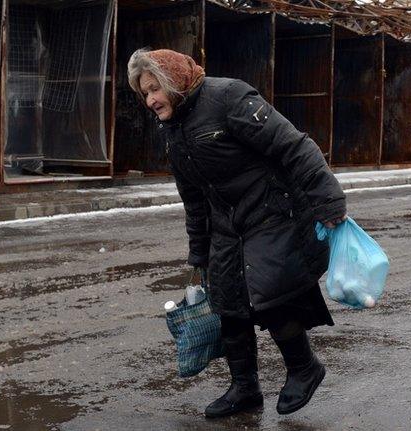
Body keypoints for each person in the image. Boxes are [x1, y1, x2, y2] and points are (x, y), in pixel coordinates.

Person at [127, 48, 348, 418]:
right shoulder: (175, 127)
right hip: (227, 225)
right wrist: (199, 251)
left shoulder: (229, 97)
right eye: (144, 92)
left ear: (173, 82)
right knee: (228, 304)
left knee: (272, 294)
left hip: (271, 212)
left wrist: (328, 201)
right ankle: (245, 389)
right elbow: (193, 197)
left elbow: (293, 145)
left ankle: (304, 368)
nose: (149, 100)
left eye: (153, 89)